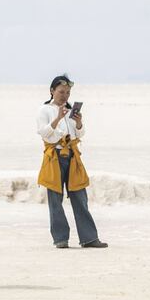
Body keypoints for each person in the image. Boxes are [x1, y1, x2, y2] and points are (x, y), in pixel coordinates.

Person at [36, 75, 107, 249]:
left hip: (73, 156)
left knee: (80, 196)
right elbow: (44, 133)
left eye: (68, 92)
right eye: (61, 92)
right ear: (52, 91)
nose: (65, 95)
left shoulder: (70, 111)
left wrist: (79, 122)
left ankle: (89, 238)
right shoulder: (44, 110)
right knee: (55, 199)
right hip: (54, 156)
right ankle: (60, 239)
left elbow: (80, 134)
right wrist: (58, 118)